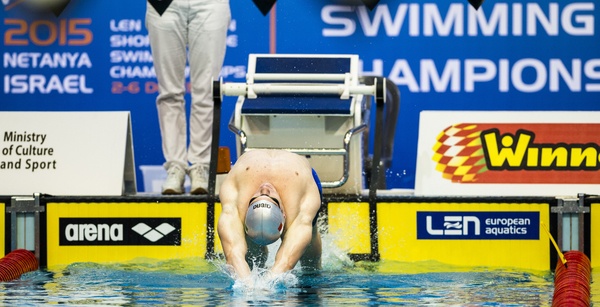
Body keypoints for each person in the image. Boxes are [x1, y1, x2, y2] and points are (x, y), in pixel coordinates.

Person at [145, 0, 231, 195]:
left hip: (210, 4)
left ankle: (200, 165)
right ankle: (175, 166)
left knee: (207, 91)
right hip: (164, 4)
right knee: (169, 92)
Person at [217, 149, 323, 279]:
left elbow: (285, 262)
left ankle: (314, 270)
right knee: (249, 251)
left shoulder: (301, 210)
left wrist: (263, 286)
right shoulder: (237, 208)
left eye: (257, 197)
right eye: (270, 197)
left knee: (309, 244)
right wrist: (250, 288)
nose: (265, 189)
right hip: (298, 177)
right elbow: (234, 255)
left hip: (302, 177)